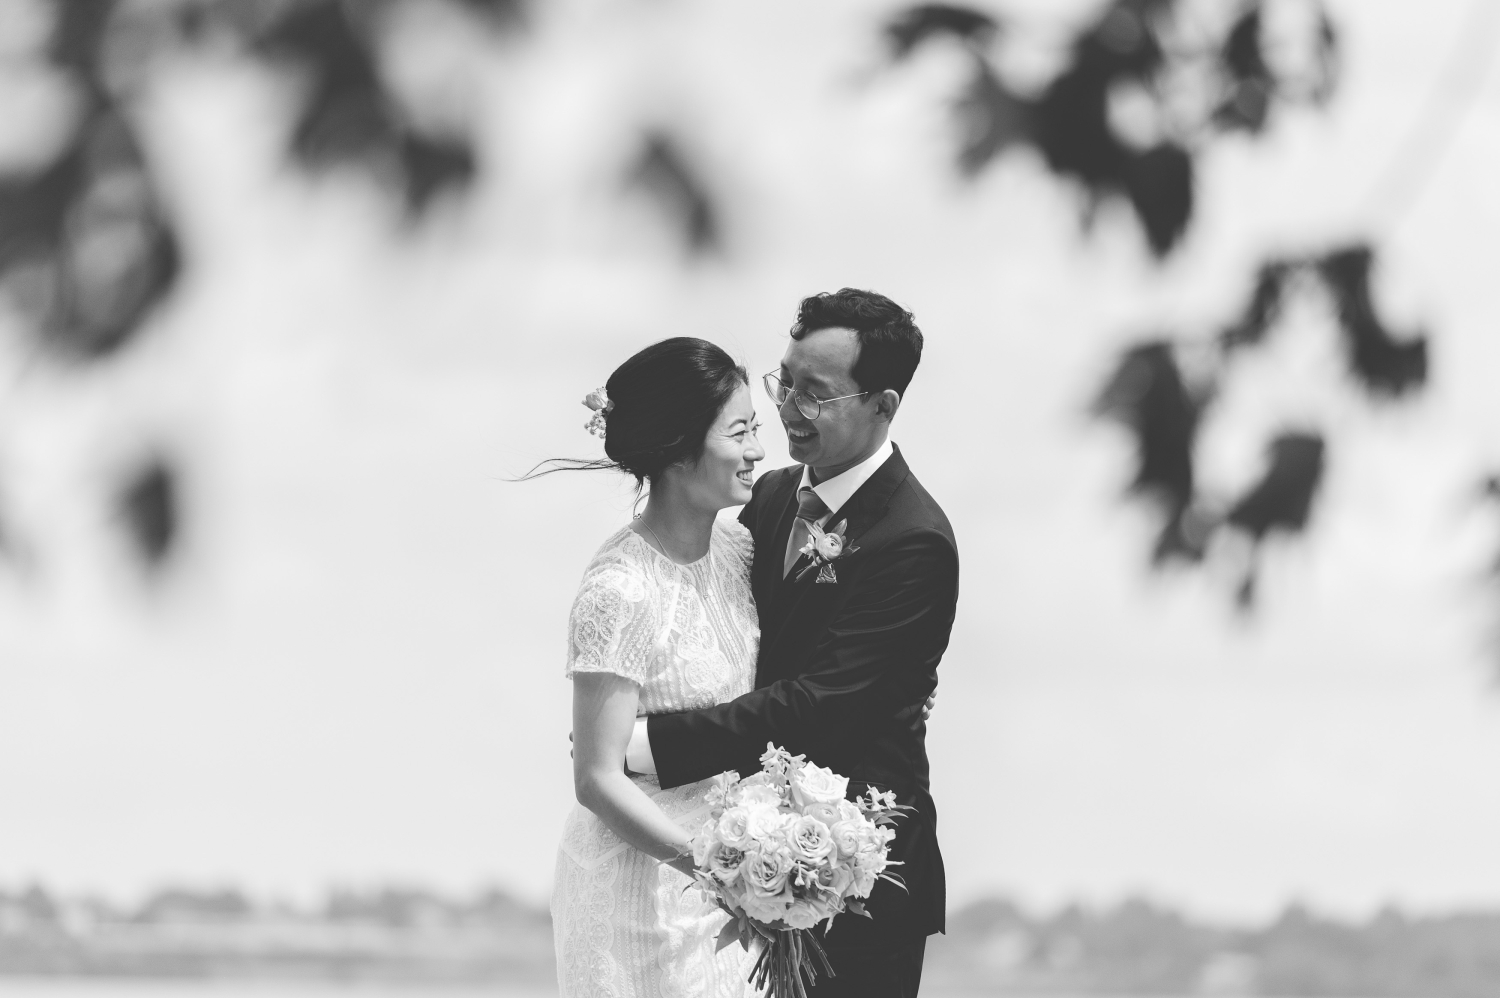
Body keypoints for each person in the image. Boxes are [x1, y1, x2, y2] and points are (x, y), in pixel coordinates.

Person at [623, 288, 959, 997]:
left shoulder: (914, 539)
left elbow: (821, 704)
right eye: (785, 381)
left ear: (883, 405)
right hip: (746, 866)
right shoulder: (769, 497)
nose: (788, 409)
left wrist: (648, 743)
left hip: (859, 879)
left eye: (817, 394)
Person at [548, 336, 768, 998]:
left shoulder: (743, 552)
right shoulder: (620, 588)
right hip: (637, 902)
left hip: (733, 901)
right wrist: (711, 870)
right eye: (739, 432)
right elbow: (595, 778)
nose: (758, 450)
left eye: (756, 429)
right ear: (678, 448)